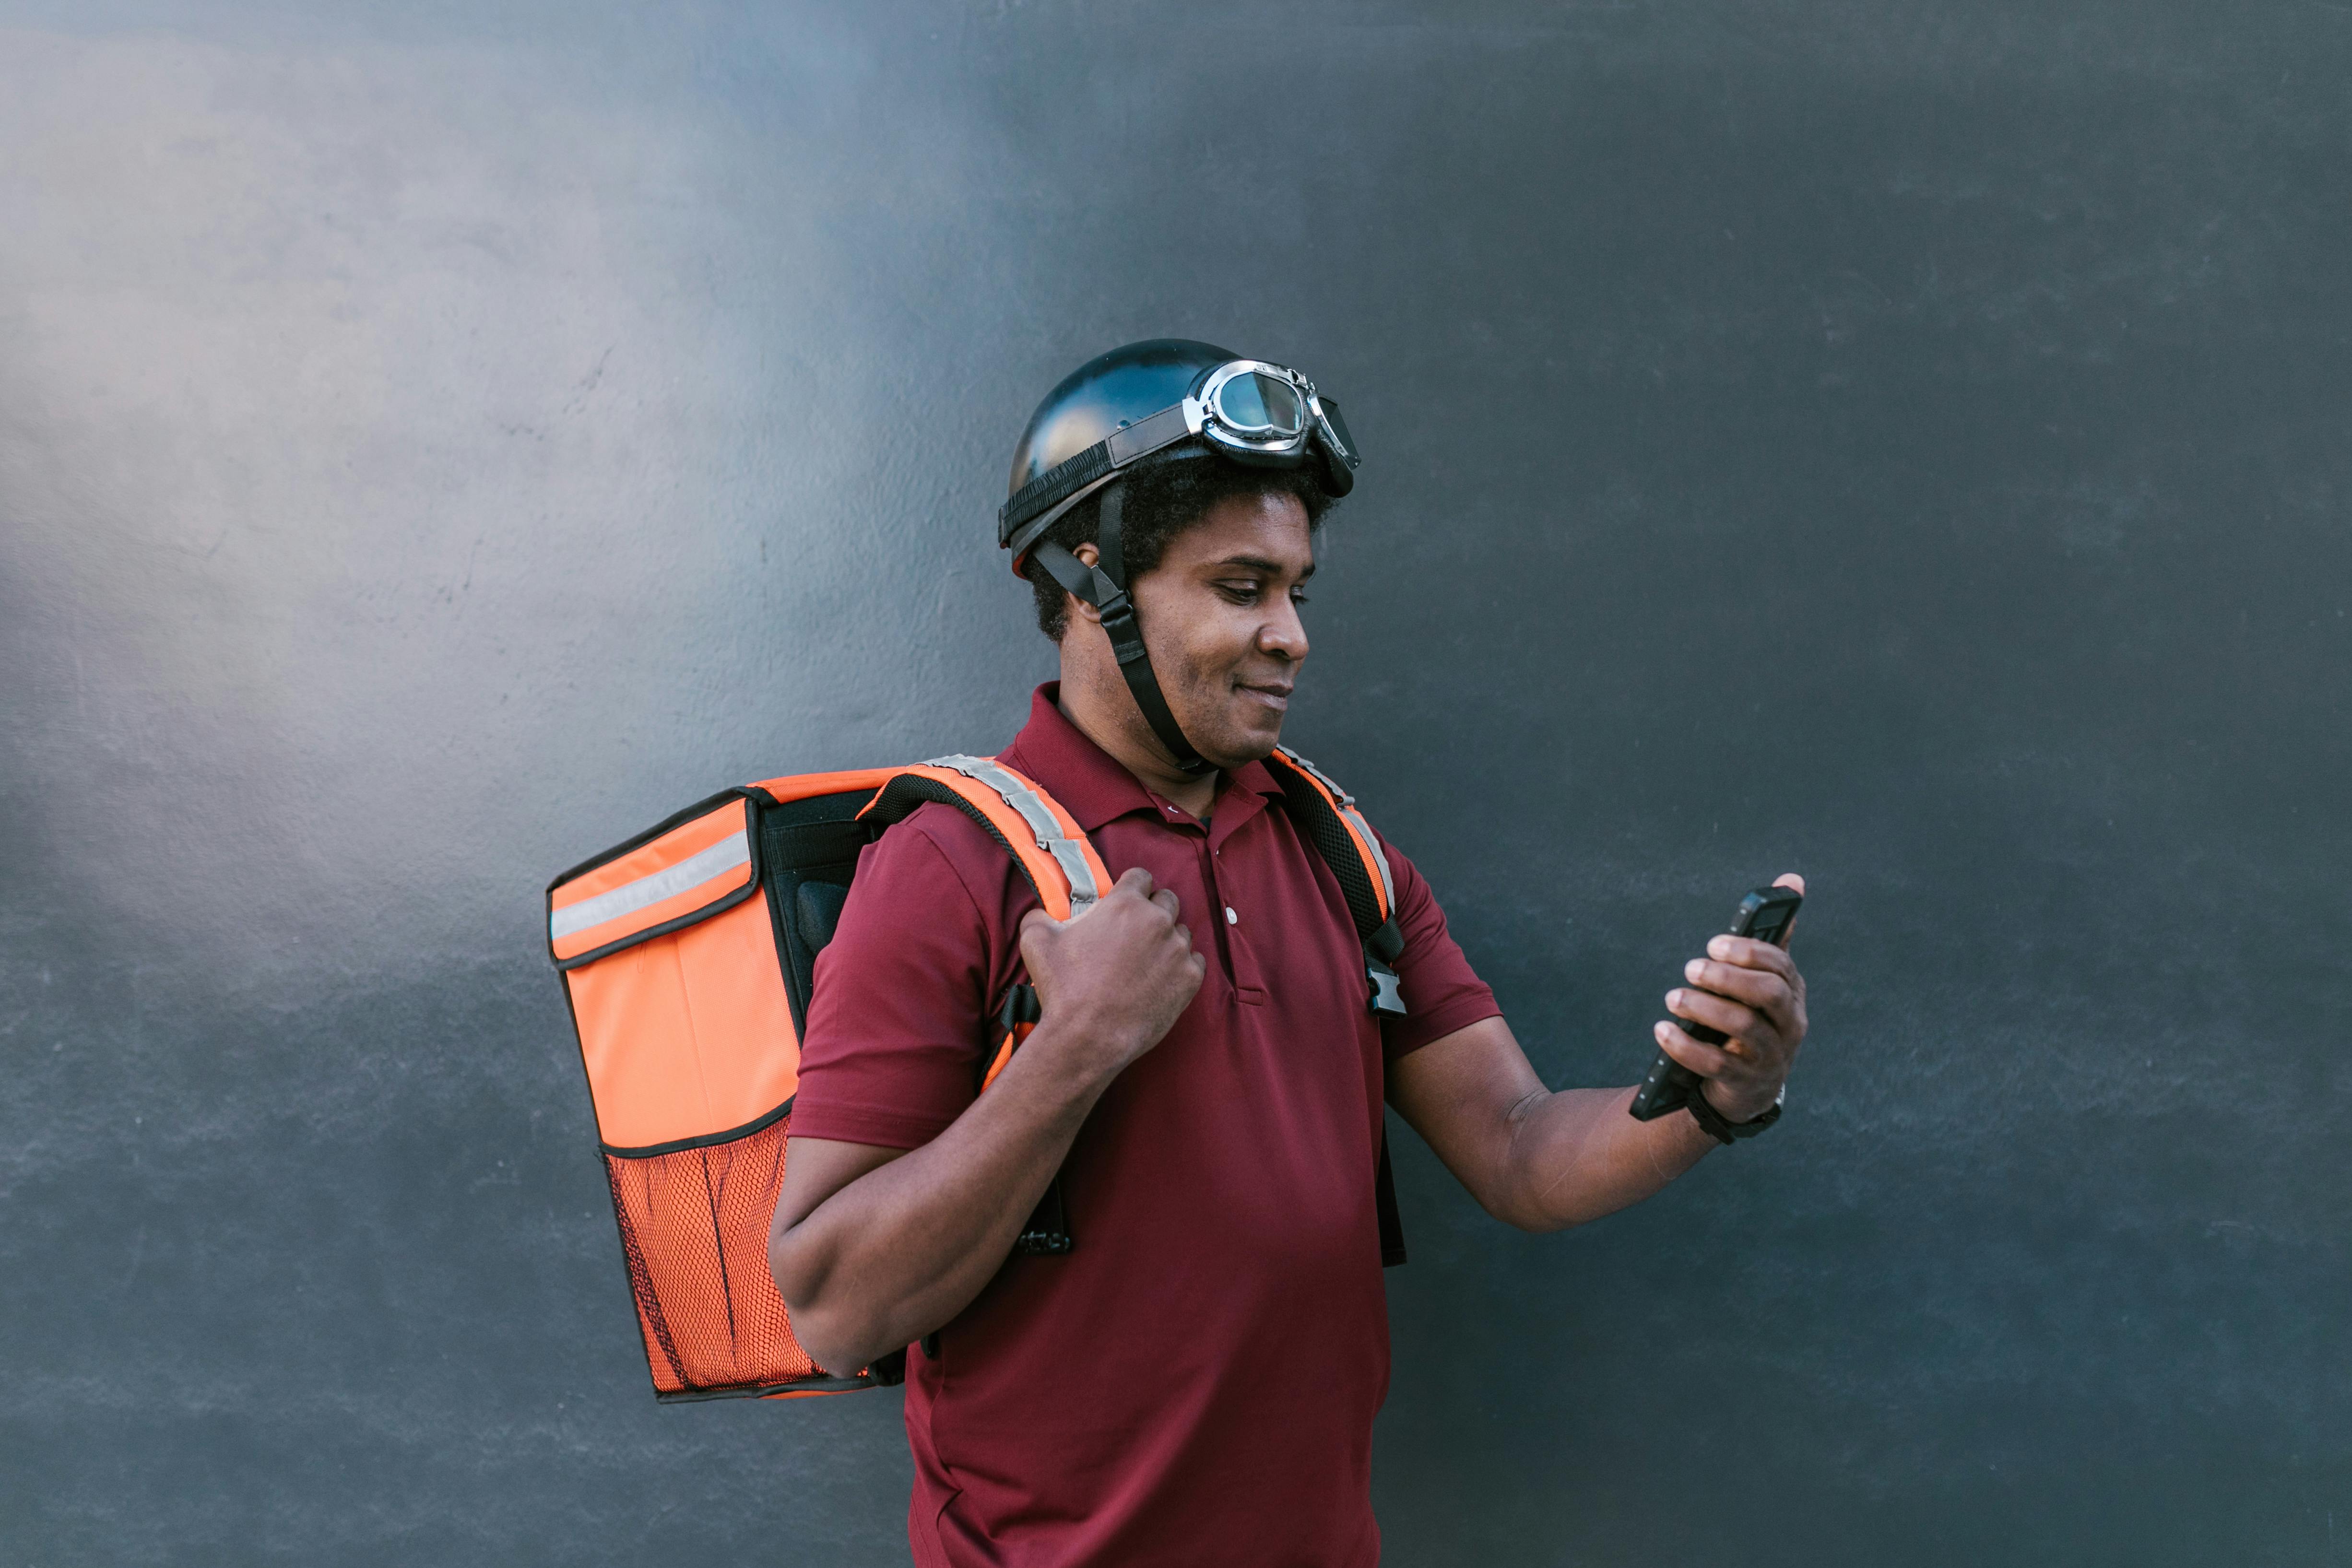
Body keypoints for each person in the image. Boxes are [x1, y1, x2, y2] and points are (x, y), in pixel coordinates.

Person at [768, 341, 1811, 1567]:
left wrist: (1711, 1099)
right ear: (1087, 582)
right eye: (1239, 588)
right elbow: (833, 1307)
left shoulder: (1338, 851)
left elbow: (1522, 1153)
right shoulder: (947, 867)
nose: (1290, 636)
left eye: (1297, 592)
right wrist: (1077, 1049)